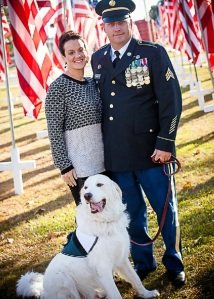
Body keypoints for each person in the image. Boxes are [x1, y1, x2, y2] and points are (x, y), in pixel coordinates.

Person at [91, 0, 185, 287]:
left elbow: (171, 101)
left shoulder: (151, 53)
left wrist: (166, 142)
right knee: (131, 214)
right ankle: (144, 262)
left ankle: (174, 261)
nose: (116, 27)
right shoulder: (98, 59)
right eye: (110, 23)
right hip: (117, 156)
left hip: (153, 152)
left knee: (165, 210)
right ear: (104, 27)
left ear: (130, 22)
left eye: (121, 21)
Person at [45, 31, 105, 206]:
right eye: (71, 52)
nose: (77, 55)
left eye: (81, 50)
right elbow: (54, 130)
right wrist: (64, 166)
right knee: (89, 215)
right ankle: (76, 236)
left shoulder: (93, 83)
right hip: (80, 166)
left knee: (106, 211)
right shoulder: (58, 88)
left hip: (104, 161)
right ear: (63, 56)